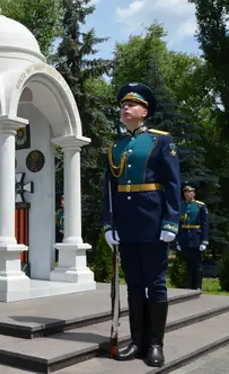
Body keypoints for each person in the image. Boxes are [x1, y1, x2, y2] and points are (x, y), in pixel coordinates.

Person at [102, 82, 180, 368]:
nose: (125, 108)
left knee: (156, 285)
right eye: (123, 104)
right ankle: (137, 342)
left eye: (132, 104)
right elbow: (109, 189)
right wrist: (108, 224)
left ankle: (156, 344)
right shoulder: (116, 146)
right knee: (134, 286)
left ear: (144, 111)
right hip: (126, 224)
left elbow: (173, 184)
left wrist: (171, 221)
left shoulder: (162, 140)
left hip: (154, 221)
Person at [177, 183, 209, 290]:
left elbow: (205, 224)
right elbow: (179, 224)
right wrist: (178, 241)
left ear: (194, 193)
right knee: (189, 264)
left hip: (196, 236)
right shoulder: (181, 206)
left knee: (197, 264)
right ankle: (189, 286)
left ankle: (198, 286)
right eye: (185, 192)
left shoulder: (200, 206)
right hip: (185, 236)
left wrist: (204, 241)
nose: (187, 194)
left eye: (189, 192)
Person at [55, 194, 64, 262]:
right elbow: (58, 224)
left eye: (63, 200)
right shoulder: (60, 213)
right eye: (61, 200)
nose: (62, 201)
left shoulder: (70, 212)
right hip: (60, 233)